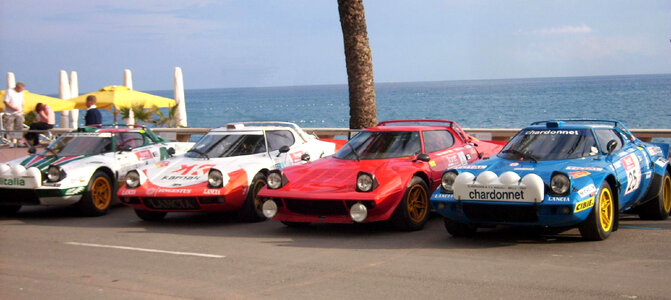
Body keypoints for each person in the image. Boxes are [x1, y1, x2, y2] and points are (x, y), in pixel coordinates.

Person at [3, 82, 26, 147]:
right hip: (9, 113)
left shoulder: (21, 93)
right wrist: (13, 108)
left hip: (19, 113)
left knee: (19, 127)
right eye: (21, 89)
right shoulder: (9, 92)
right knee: (10, 127)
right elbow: (6, 101)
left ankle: (19, 141)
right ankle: (11, 142)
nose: (22, 90)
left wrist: (22, 109)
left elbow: (22, 102)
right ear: (18, 87)